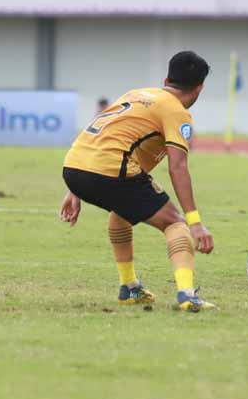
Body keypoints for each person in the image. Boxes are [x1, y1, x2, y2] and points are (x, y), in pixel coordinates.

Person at [58, 51, 217, 312]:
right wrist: (195, 223)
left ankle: (129, 287)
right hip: (109, 167)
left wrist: (74, 189)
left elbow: (101, 134)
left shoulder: (134, 94)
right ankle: (187, 295)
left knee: (122, 211)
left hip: (74, 163)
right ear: (199, 88)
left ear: (166, 79)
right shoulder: (177, 112)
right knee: (175, 224)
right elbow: (177, 168)